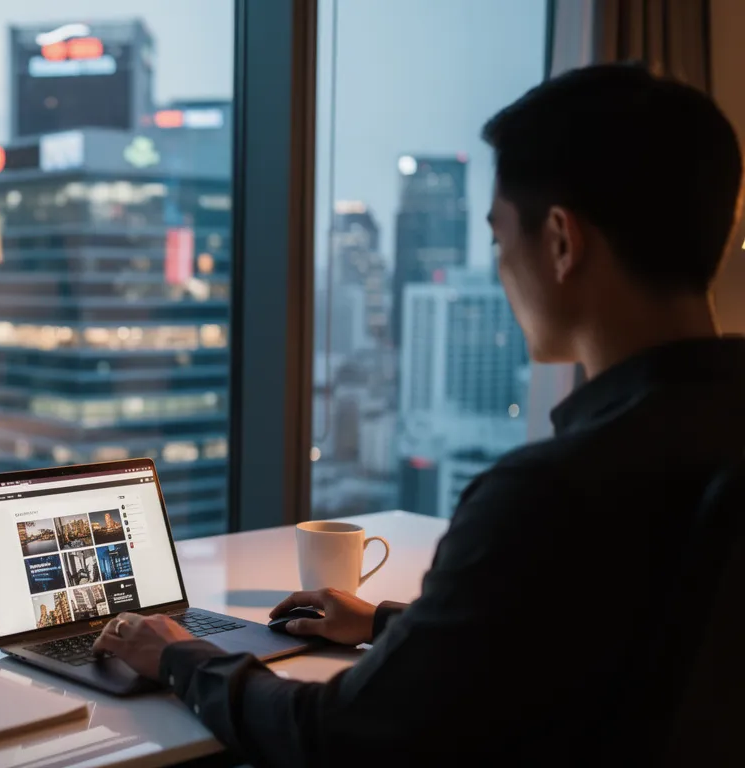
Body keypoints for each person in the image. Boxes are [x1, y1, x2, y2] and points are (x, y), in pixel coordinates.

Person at [92, 63, 745, 766]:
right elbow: (611, 632)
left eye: (499, 240)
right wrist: (387, 621)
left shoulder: (551, 492)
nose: (500, 267)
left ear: (561, 241)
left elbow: (338, 737)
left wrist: (181, 659)